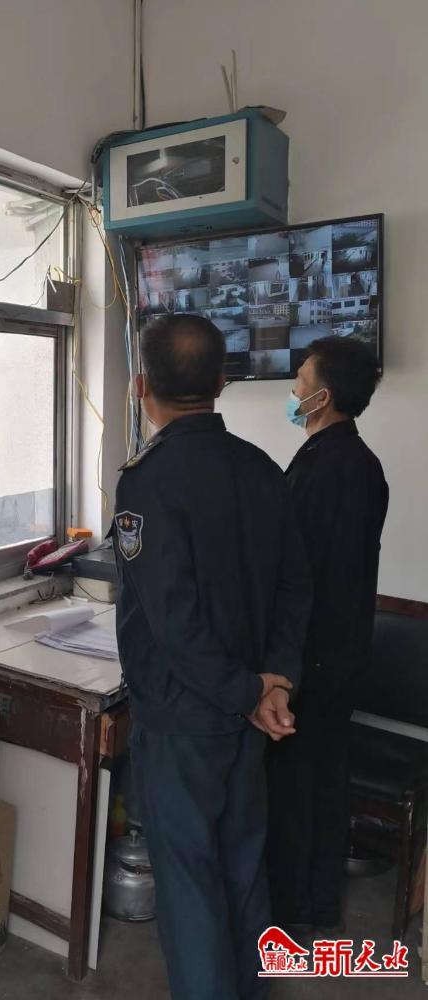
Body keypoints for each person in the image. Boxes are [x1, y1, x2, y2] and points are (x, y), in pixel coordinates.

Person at [112, 314, 311, 1000]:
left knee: (191, 886)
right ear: (222, 382)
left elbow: (175, 625)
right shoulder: (262, 470)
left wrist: (248, 692)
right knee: (243, 868)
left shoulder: (147, 482)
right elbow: (295, 588)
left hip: (185, 719)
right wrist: (273, 683)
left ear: (142, 387)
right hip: (249, 714)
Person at [267, 336, 388, 934]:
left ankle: (294, 915)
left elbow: (300, 574)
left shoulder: (329, 469)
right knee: (320, 784)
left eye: (301, 379)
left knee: (300, 788)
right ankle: (314, 907)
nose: (293, 388)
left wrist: (281, 666)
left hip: (313, 659)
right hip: (338, 653)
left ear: (324, 396)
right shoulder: (354, 462)